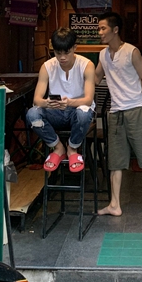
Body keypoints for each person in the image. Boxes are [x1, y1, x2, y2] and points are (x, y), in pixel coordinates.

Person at [94, 11, 142, 219]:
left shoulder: (131, 52)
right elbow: (96, 78)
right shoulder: (103, 55)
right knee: (115, 161)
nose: (100, 32)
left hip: (136, 111)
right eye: (99, 29)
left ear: (115, 30)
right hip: (115, 113)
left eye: (103, 28)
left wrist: (132, 96)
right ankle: (114, 204)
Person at [26, 28, 95, 173]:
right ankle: (58, 147)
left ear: (74, 48)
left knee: (84, 114)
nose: (62, 57)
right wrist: (47, 103)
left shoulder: (86, 65)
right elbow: (37, 99)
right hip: (55, 112)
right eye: (58, 53)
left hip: (77, 112)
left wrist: (69, 102)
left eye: (66, 52)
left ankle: (72, 148)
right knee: (32, 114)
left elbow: (88, 100)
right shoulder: (47, 66)